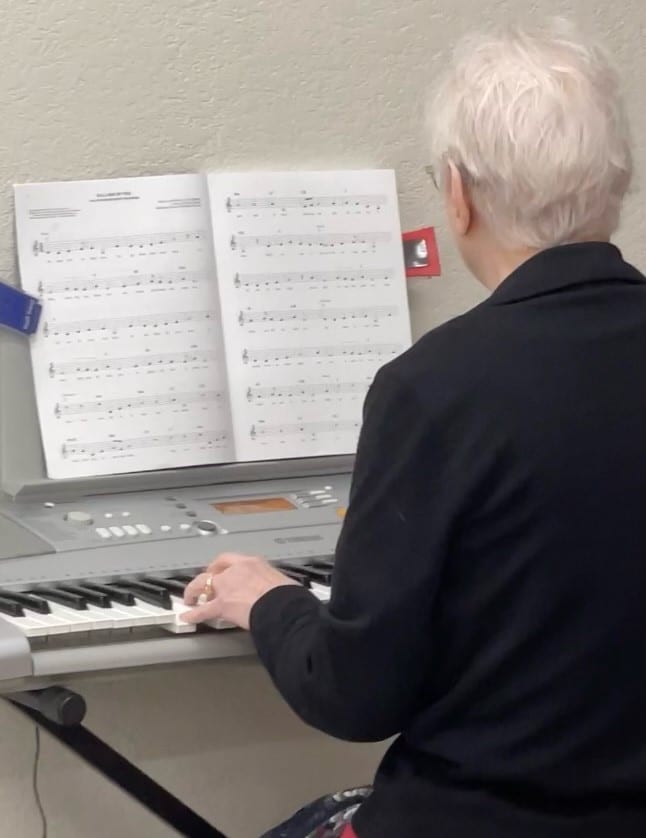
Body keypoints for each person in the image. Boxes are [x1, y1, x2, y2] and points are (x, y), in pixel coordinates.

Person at [182, 19, 646, 838]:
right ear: (621, 178)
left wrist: (268, 600)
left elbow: (355, 694)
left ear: (458, 194)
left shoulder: (435, 388)